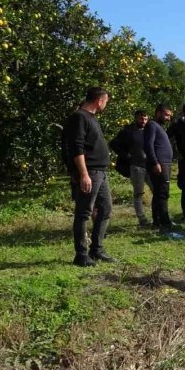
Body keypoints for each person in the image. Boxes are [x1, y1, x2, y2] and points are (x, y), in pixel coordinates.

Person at [62, 87, 114, 267]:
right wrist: (83, 174)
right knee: (84, 212)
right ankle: (81, 255)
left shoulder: (92, 118)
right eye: (105, 101)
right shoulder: (79, 117)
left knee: (105, 209)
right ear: (99, 100)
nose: (105, 104)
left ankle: (96, 249)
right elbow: (76, 148)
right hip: (90, 172)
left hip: (100, 172)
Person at [110, 110, 152, 228]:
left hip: (149, 166)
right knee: (138, 194)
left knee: (157, 191)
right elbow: (113, 143)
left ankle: (157, 216)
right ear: (135, 118)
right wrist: (126, 155)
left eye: (145, 119)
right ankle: (142, 219)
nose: (143, 121)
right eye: (141, 119)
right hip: (136, 167)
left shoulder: (149, 130)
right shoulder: (127, 131)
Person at [144, 104, 175, 232]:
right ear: (158, 113)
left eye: (169, 116)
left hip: (164, 163)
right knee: (162, 193)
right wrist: (155, 162)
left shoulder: (158, 127)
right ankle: (165, 222)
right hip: (159, 164)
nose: (168, 118)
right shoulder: (152, 125)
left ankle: (157, 221)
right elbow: (148, 145)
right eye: (166, 115)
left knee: (158, 193)